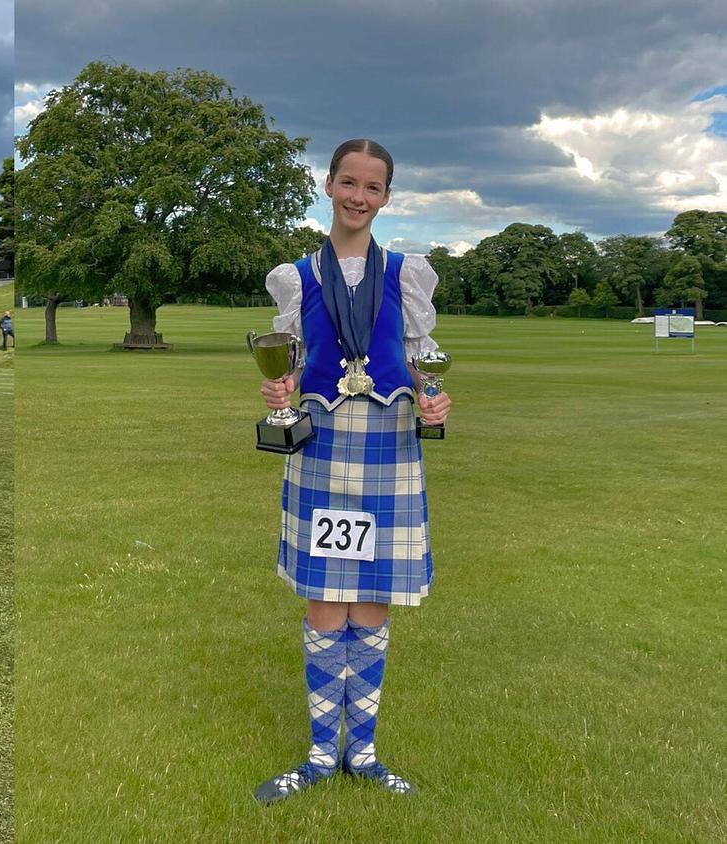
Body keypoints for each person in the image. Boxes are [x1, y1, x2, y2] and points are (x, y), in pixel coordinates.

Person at [253, 139, 450, 804]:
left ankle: (360, 752)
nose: (358, 196)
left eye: (372, 186)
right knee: (324, 601)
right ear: (328, 186)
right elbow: (289, 361)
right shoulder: (299, 276)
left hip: (390, 446)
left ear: (387, 196)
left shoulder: (405, 274)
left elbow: (423, 360)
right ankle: (317, 752)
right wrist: (278, 389)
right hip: (323, 447)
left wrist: (434, 396)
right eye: (348, 182)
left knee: (371, 600)